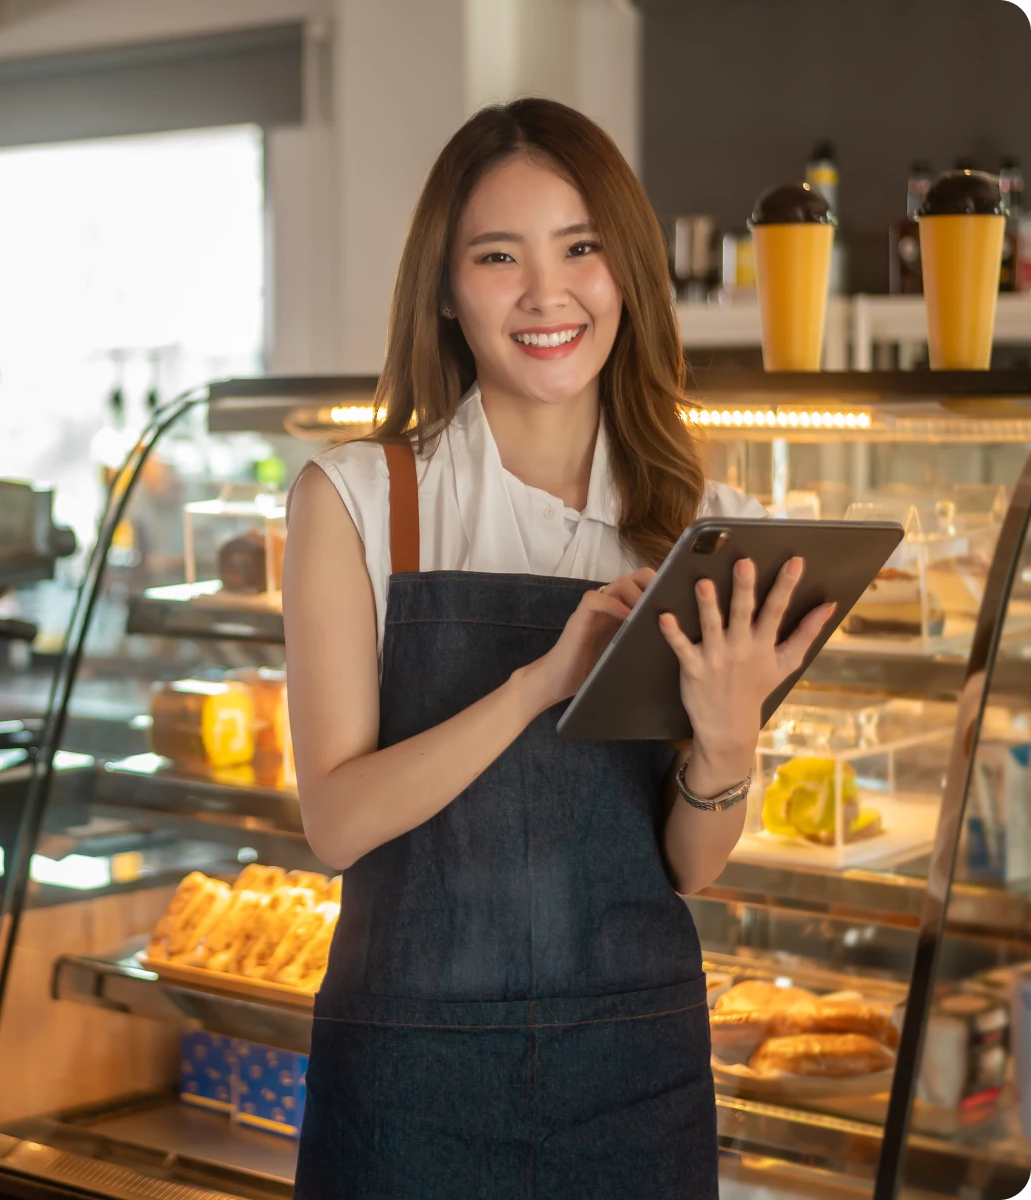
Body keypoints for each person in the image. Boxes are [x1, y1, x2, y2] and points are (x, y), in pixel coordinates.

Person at [282, 98, 835, 1199]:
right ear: (446, 291)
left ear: (624, 269)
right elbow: (337, 824)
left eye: (580, 248)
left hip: (637, 1073)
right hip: (408, 1076)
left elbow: (686, 864)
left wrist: (727, 746)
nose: (548, 294)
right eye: (499, 257)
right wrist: (538, 684)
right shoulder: (360, 498)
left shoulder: (698, 523)